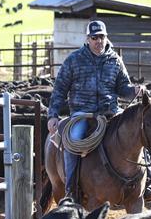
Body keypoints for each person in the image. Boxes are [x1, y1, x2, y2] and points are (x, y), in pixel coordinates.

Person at [47, 19, 144, 196]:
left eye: (101, 37)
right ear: (87, 39)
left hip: (111, 113)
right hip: (82, 115)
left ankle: (147, 183)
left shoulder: (115, 61)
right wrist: (53, 115)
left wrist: (134, 91)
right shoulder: (74, 60)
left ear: (106, 38)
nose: (98, 41)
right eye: (94, 37)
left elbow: (123, 87)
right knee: (73, 142)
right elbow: (59, 89)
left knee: (138, 132)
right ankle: (71, 189)